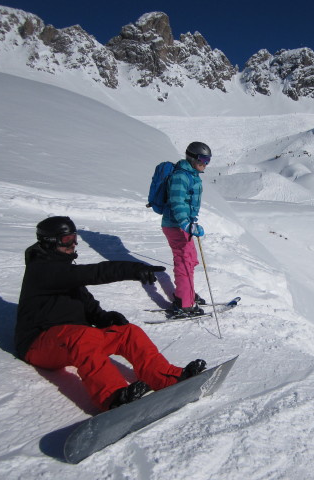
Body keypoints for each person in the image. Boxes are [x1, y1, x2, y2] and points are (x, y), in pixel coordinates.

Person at [15, 216, 207, 411]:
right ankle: (113, 397)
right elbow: (94, 273)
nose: (73, 244)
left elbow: (85, 301)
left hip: (72, 338)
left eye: (74, 238)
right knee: (82, 337)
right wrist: (132, 269)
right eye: (67, 240)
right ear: (50, 242)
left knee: (129, 333)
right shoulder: (40, 270)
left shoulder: (65, 269)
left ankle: (166, 377)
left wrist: (103, 317)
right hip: (39, 344)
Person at [162, 141, 211, 317]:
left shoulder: (192, 174)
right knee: (184, 262)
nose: (205, 164)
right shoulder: (181, 176)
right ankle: (184, 303)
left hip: (184, 225)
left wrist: (191, 222)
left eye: (208, 160)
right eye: (202, 159)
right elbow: (177, 201)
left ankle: (186, 292)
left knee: (190, 259)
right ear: (191, 158)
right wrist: (185, 222)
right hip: (175, 226)